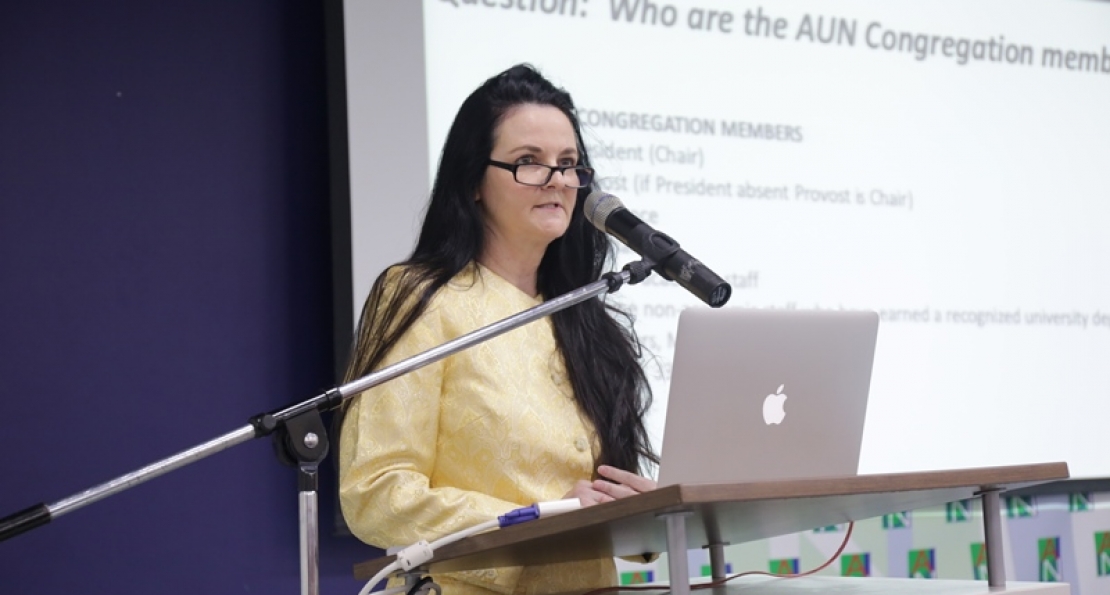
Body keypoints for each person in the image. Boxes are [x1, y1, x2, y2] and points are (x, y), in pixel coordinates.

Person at [338, 64, 657, 595]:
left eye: (569, 164)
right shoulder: (421, 296)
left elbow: (597, 501)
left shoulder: (585, 318)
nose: (557, 179)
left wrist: (640, 513)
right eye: (529, 162)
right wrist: (541, 517)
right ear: (473, 183)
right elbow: (376, 492)